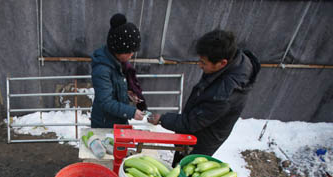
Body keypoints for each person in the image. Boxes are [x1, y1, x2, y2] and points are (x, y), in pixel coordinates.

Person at [149, 30, 260, 166]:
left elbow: (192, 122)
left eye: (203, 63)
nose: (199, 65)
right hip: (200, 122)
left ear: (222, 63)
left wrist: (162, 119)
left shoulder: (224, 95)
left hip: (203, 138)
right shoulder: (234, 58)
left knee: (185, 167)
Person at [90, 13, 151, 128]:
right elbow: (105, 102)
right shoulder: (102, 69)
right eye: (129, 52)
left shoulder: (119, 64)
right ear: (118, 50)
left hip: (118, 121)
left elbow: (115, 90)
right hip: (105, 125)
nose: (131, 55)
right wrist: (131, 112)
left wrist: (128, 95)